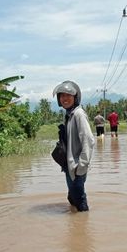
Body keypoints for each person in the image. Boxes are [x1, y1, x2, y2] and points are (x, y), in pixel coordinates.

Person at [53, 80, 95, 212]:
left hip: (77, 168)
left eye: (68, 96)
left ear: (75, 97)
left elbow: (88, 140)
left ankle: (82, 227)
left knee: (80, 201)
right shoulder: (69, 115)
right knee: (72, 198)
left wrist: (81, 167)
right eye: (62, 96)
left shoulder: (78, 114)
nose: (64, 99)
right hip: (69, 166)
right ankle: (76, 224)